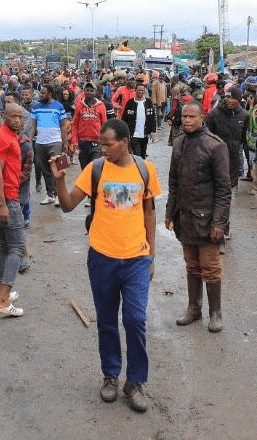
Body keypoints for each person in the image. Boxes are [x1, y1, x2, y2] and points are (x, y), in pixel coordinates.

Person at [54, 118, 160, 413]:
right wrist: (60, 180)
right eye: (100, 144)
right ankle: (111, 376)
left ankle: (136, 381)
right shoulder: (95, 169)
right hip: (102, 258)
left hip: (136, 258)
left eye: (108, 144)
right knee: (107, 321)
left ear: (125, 142)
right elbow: (67, 205)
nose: (102, 149)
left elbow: (149, 212)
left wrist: (151, 254)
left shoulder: (144, 169)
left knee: (136, 320)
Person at [165, 102, 230, 332]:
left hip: (208, 219)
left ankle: (215, 313)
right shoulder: (179, 142)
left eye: (192, 116)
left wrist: (219, 223)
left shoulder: (215, 146)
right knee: (192, 266)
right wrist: (169, 212)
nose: (186, 120)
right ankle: (194, 308)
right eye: (184, 116)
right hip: (185, 218)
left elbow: (224, 189)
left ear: (202, 117)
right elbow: (174, 182)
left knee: (210, 267)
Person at [0, 103, 27, 317]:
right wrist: (2, 204)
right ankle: (2, 300)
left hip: (5, 196)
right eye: (14, 116)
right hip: (5, 198)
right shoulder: (2, 137)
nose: (18, 120)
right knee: (17, 248)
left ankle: (3, 293)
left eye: (20, 116)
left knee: (5, 245)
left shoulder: (10, 135)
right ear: (4, 116)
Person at [205, 87, 249, 192]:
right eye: (227, 97)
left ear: (238, 100)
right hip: (217, 156)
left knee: (230, 186)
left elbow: (244, 139)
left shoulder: (244, 115)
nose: (229, 100)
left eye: (233, 98)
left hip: (234, 157)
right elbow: (206, 136)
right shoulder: (214, 114)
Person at [31, 85, 69, 206]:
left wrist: (65, 142)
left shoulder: (59, 106)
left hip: (55, 142)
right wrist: (29, 140)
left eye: (43, 93)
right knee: (45, 170)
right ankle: (50, 195)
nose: (40, 95)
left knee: (56, 169)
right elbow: (33, 126)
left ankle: (58, 195)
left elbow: (63, 125)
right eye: (40, 93)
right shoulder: (36, 107)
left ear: (50, 94)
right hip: (40, 143)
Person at [71, 82, 109, 171]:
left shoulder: (101, 106)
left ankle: (95, 185)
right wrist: (75, 142)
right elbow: (75, 125)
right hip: (82, 143)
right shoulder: (79, 105)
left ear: (95, 92)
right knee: (85, 171)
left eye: (91, 90)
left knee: (95, 169)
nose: (89, 92)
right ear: (83, 91)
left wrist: (105, 143)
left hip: (96, 143)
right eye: (87, 90)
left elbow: (104, 125)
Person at [122, 82, 156, 158]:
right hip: (134, 135)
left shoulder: (148, 102)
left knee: (143, 155)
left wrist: (153, 131)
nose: (140, 92)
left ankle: (140, 168)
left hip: (144, 135)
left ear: (144, 91)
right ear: (135, 90)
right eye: (138, 90)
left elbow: (152, 117)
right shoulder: (130, 103)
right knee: (137, 155)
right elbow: (124, 119)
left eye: (142, 90)